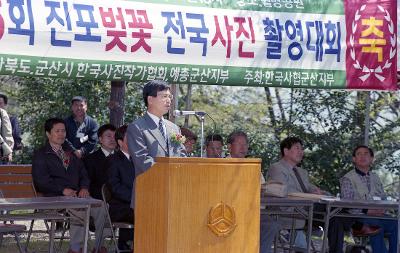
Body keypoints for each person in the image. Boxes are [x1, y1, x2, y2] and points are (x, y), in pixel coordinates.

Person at [32, 118, 109, 253]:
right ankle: (75, 249)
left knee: (103, 206)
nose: (61, 134)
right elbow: (41, 181)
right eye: (57, 131)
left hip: (76, 197)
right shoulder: (41, 155)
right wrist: (62, 190)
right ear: (48, 134)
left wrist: (84, 188)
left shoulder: (69, 154)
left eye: (63, 131)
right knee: (79, 209)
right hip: (52, 199)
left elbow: (84, 174)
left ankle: (99, 247)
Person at [127, 80, 186, 208]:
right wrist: (170, 173)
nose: (169, 100)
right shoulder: (137, 127)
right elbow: (142, 161)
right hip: (149, 193)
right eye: (164, 96)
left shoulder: (174, 128)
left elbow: (182, 156)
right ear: (150, 99)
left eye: (169, 96)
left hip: (175, 193)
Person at [340, 145, 398, 253]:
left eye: (366, 154)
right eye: (359, 154)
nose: (362, 156)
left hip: (378, 215)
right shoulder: (347, 178)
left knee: (395, 223)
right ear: (354, 159)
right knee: (376, 225)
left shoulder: (375, 177)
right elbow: (347, 204)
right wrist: (367, 211)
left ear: (371, 158)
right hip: (358, 217)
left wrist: (382, 210)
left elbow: (383, 198)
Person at [107, 124, 135, 251]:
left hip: (138, 204)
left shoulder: (139, 159)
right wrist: (135, 198)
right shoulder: (113, 160)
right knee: (145, 214)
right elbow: (115, 187)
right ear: (120, 142)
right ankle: (128, 246)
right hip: (120, 207)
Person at [83, 124, 116, 200]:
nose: (112, 139)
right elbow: (89, 184)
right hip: (100, 201)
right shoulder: (90, 160)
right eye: (108, 136)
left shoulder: (122, 158)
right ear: (100, 139)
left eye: (114, 136)